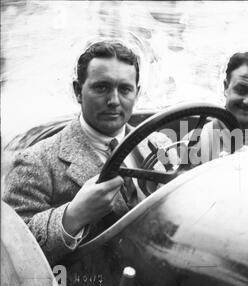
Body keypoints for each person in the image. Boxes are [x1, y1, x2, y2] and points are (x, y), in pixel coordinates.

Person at [2, 40, 173, 267]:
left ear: (137, 93)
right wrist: (73, 216)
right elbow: (12, 252)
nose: (113, 101)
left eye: (125, 89)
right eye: (101, 87)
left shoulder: (160, 145)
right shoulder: (35, 161)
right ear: (78, 91)